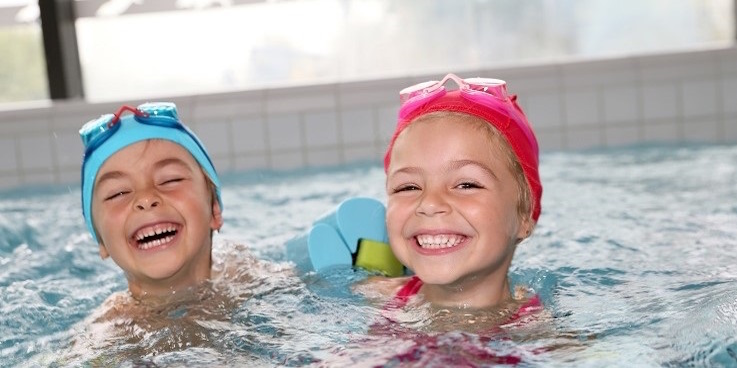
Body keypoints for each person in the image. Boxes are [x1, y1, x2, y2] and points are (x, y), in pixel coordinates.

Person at [356, 73, 544, 332]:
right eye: (408, 187)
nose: (430, 203)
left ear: (525, 216)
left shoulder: (535, 330)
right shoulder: (382, 294)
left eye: (466, 185)